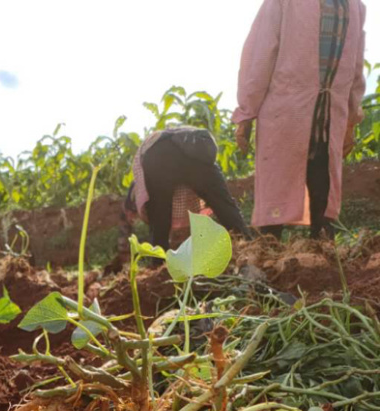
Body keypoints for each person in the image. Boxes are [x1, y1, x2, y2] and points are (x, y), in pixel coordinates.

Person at [233, 0, 367, 239]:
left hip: (327, 115)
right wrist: (246, 112)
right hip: (286, 111)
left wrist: (350, 121)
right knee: (278, 187)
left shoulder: (355, 6)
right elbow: (261, 53)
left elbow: (355, 67)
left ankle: (322, 259)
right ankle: (269, 254)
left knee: (322, 188)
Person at [118, 126, 251, 260]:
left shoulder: (134, 193)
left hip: (158, 154)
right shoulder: (200, 147)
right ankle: (248, 246)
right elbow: (222, 199)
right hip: (193, 150)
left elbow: (153, 213)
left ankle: (159, 264)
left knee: (159, 217)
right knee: (224, 204)